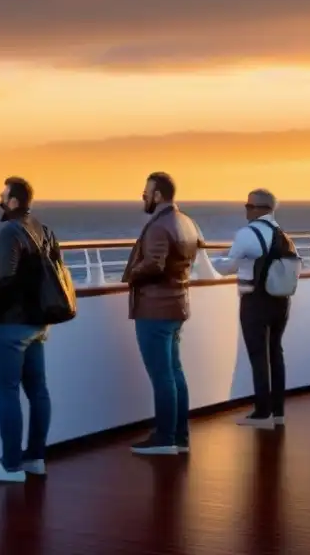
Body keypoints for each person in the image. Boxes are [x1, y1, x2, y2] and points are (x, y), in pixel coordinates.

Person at [0, 176, 55, 482]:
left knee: (7, 393)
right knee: (38, 390)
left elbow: (3, 280)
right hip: (37, 323)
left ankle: (10, 466)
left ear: (12, 202)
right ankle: (35, 458)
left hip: (9, 325)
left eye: (2, 195)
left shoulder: (10, 232)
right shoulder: (42, 229)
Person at [122, 171, 202, 455]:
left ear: (158, 195)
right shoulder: (186, 222)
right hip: (177, 305)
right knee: (175, 372)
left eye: (146, 191)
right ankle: (180, 435)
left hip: (155, 309)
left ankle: (165, 437)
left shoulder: (159, 226)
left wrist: (130, 274)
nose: (142, 195)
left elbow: (155, 264)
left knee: (162, 375)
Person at [211, 189, 297, 428]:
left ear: (260, 209)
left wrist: (209, 260)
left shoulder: (247, 234)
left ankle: (262, 413)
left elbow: (229, 267)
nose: (246, 209)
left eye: (248, 206)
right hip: (281, 300)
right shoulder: (282, 235)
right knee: (275, 353)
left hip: (255, 300)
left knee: (258, 356)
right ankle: (278, 411)